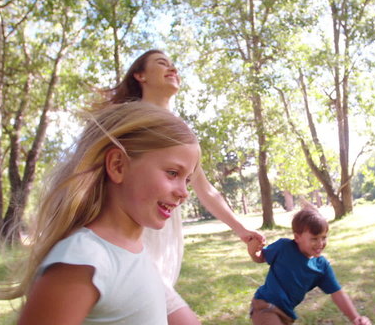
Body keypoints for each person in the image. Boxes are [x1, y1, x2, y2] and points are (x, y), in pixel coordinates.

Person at [0, 102, 201, 324]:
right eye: (172, 173)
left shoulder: (133, 250)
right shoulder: (84, 259)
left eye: (187, 180)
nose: (184, 193)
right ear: (118, 165)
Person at [102, 49, 265, 324]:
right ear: (140, 75)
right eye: (162, 63)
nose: (173, 69)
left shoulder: (182, 131)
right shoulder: (124, 118)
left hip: (165, 240)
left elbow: (204, 188)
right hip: (127, 239)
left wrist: (242, 231)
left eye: (175, 65)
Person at [247, 207, 372, 325]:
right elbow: (261, 257)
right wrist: (253, 252)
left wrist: (356, 317)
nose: (320, 243)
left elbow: (337, 293)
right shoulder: (284, 247)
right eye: (314, 238)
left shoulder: (321, 267)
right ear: (297, 237)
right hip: (264, 306)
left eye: (323, 238)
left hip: (286, 314)